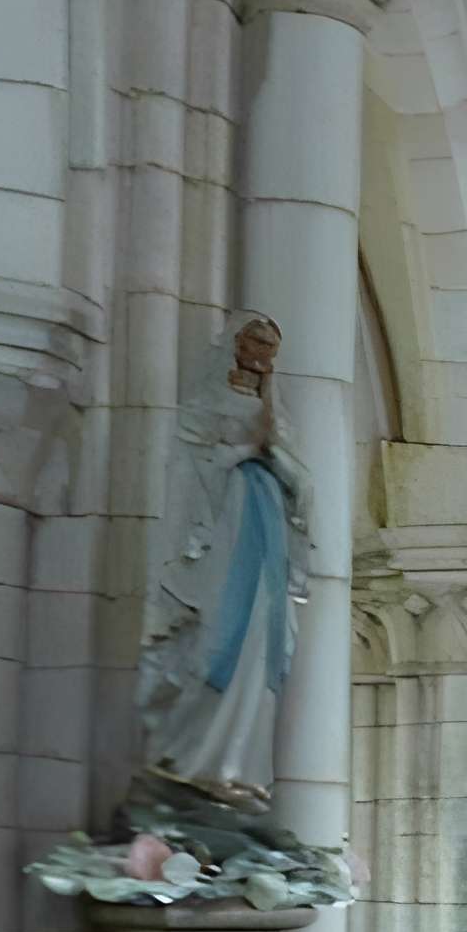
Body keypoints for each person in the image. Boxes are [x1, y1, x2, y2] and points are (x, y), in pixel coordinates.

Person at [140, 314, 310, 807]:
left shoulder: (277, 410)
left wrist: (272, 450)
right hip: (223, 529)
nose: (262, 354)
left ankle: (242, 766)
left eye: (270, 346)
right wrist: (242, 452)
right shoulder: (205, 400)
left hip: (268, 534)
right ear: (235, 343)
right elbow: (187, 461)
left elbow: (304, 481)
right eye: (255, 341)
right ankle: (194, 758)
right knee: (216, 636)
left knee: (263, 639)